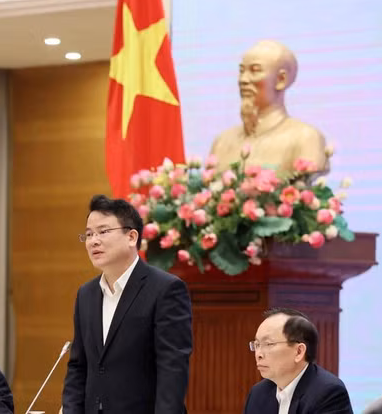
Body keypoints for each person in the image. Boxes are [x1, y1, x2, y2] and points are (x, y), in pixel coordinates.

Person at [62, 195, 193, 414]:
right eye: (89, 234)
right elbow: (78, 367)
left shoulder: (166, 289)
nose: (93, 241)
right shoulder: (86, 294)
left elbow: (172, 369)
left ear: (131, 237)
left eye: (103, 231)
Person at [210, 40, 329, 176]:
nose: (243, 79)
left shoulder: (306, 138)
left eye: (255, 71)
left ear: (281, 80)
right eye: (241, 71)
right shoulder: (222, 142)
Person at [244, 308, 352, 414]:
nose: (258, 354)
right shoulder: (258, 393)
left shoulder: (328, 393)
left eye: (268, 344)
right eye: (257, 345)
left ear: (299, 352)